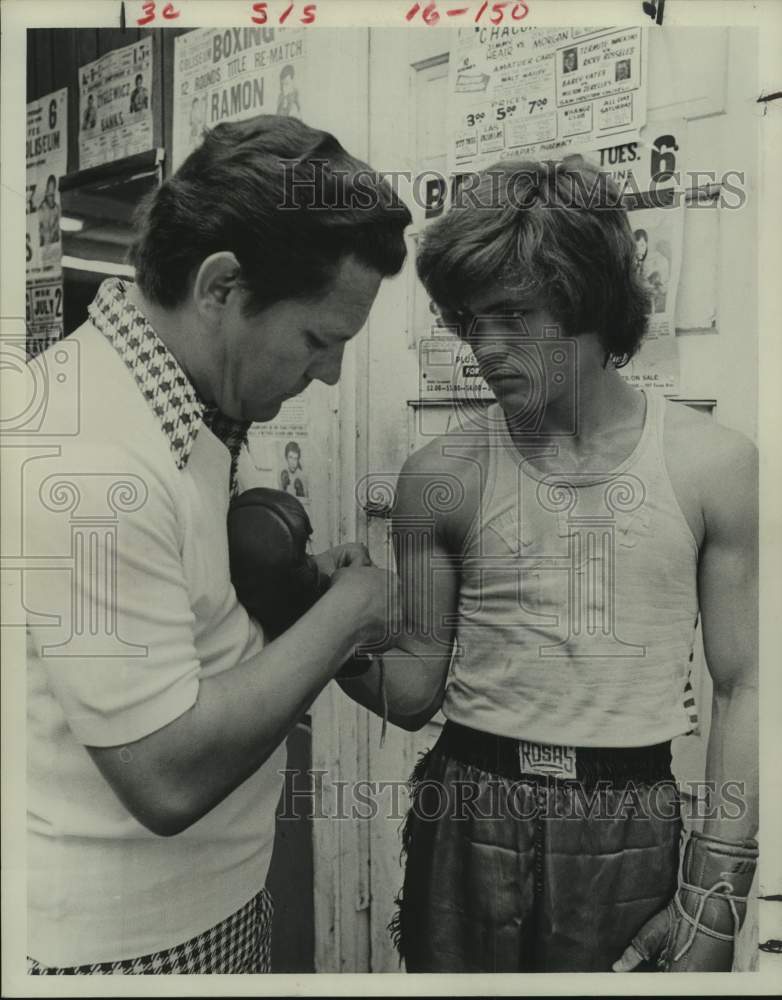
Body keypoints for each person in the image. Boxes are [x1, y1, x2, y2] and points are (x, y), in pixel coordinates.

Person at [340, 159, 758, 972]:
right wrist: (326, 626)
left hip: (629, 812)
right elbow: (417, 688)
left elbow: (747, 685)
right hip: (468, 801)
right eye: (466, 321)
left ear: (589, 302)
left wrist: (715, 897)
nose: (482, 350)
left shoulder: (714, 465)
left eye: (513, 316)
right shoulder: (438, 475)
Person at [25, 114, 411, 974]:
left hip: (212, 900)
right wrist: (346, 616)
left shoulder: (190, 414)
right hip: (121, 945)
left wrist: (288, 596)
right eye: (319, 339)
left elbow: (182, 637)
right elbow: (162, 774)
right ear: (222, 286)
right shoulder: (91, 460)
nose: (331, 374)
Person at [37, 174, 60, 247]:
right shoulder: (41, 208)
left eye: (52, 189)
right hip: (44, 245)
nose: (51, 193)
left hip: (54, 245)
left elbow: (57, 229)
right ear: (46, 190)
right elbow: (41, 229)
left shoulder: (57, 208)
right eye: (49, 190)